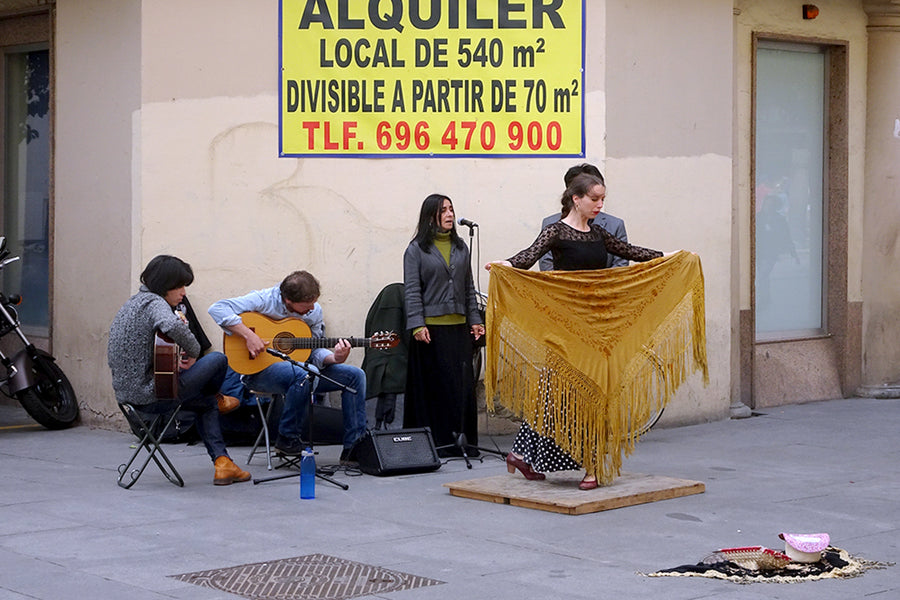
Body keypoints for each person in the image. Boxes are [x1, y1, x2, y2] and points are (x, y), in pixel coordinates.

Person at [486, 173, 663, 490]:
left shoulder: (599, 235)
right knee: (561, 393)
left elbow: (630, 251)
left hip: (595, 325)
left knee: (590, 394)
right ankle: (542, 457)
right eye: (595, 199)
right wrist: (506, 264)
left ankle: (581, 465)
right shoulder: (555, 231)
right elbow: (529, 257)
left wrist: (666, 257)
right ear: (576, 199)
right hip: (565, 326)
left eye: (603, 199)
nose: (600, 204)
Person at [107, 255, 251, 486]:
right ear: (166, 285)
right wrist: (193, 351)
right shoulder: (155, 303)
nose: (184, 292)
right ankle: (218, 396)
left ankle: (224, 464)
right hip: (154, 395)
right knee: (218, 359)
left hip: (128, 397)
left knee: (205, 403)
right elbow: (172, 325)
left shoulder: (131, 304)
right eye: (180, 286)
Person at [208, 270, 367, 465]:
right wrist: (249, 336)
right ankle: (287, 438)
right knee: (303, 374)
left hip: (303, 370)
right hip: (258, 371)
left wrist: (334, 357)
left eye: (313, 305)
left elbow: (312, 350)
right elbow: (217, 309)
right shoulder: (264, 300)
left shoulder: (314, 311)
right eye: (306, 307)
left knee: (355, 375)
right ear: (287, 301)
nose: (311, 310)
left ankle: (354, 449)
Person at [403, 194, 485, 456]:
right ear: (430, 217)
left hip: (459, 326)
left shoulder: (461, 247)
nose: (450, 215)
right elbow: (412, 290)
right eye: (443, 211)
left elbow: (468, 287)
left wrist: (475, 320)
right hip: (430, 329)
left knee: (460, 386)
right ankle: (433, 445)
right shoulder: (416, 250)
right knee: (434, 389)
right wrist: (417, 324)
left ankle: (462, 443)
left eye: (451, 209)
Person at [539, 164, 629, 271]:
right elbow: (546, 264)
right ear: (574, 195)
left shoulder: (614, 225)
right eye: (593, 197)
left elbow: (621, 265)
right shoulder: (551, 224)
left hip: (603, 286)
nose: (600, 204)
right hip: (562, 286)